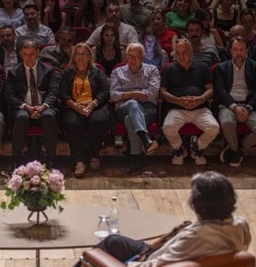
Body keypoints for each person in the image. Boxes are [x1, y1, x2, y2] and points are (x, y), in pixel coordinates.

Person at [25, 171, 251, 267]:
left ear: (198, 204)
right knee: (113, 242)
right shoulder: (239, 225)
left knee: (99, 262)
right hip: (180, 262)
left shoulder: (196, 237)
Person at [161, 38, 219, 166]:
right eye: (178, 53)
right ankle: (179, 148)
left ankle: (198, 147)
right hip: (177, 108)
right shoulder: (169, 69)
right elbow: (162, 92)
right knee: (167, 127)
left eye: (184, 52)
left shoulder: (203, 67)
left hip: (200, 108)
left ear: (191, 52)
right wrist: (178, 101)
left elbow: (210, 90)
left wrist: (200, 99)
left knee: (214, 128)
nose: (181, 56)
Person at [58, 43, 110, 178]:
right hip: (73, 106)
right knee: (72, 123)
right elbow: (62, 93)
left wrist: (93, 104)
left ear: (89, 57)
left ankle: (94, 155)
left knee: (98, 120)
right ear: (74, 57)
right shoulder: (67, 72)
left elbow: (105, 91)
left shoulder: (97, 72)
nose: (81, 57)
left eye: (84, 54)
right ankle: (79, 161)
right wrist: (74, 105)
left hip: (95, 105)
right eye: (78, 54)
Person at [214, 37, 256, 168]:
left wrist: (248, 108)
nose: (239, 53)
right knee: (227, 123)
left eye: (242, 49)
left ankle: (236, 148)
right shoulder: (221, 68)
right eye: (235, 49)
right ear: (230, 51)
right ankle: (235, 151)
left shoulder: (255, 66)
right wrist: (234, 107)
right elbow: (220, 91)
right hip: (228, 106)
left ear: (247, 51)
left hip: (248, 105)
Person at [6, 39, 60, 168]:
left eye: (31, 54)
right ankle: (16, 159)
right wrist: (26, 107)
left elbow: (53, 92)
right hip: (23, 108)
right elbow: (9, 95)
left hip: (44, 107)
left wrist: (43, 107)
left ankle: (51, 158)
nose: (29, 57)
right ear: (20, 54)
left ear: (37, 52)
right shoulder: (13, 72)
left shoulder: (48, 70)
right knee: (21, 117)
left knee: (48, 116)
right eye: (25, 54)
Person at [109, 42, 160, 173]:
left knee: (129, 119)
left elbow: (152, 92)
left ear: (142, 57)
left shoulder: (152, 70)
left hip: (148, 109)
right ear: (126, 57)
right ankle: (145, 139)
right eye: (130, 56)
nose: (133, 59)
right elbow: (113, 95)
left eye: (136, 56)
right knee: (132, 104)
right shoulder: (117, 72)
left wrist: (125, 95)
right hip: (123, 108)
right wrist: (135, 94)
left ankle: (136, 157)